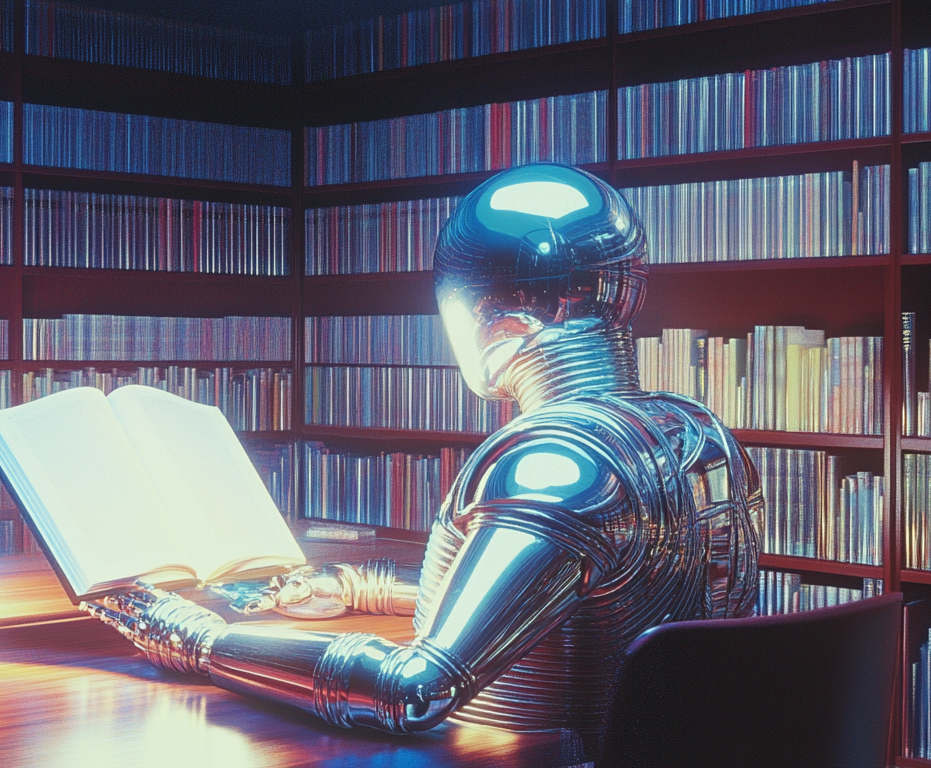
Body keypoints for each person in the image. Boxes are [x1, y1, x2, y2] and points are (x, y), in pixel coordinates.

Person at [83, 163, 763, 740]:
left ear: (493, 321)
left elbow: (415, 690)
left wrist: (196, 640)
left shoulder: (556, 462)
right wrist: (355, 589)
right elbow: (563, 602)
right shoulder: (700, 435)